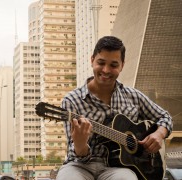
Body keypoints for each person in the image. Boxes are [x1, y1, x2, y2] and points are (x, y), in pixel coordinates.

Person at [56, 36, 173, 180]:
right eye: (101, 63)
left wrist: (159, 134)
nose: (106, 70)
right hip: (79, 166)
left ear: (122, 65)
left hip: (119, 168)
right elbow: (78, 156)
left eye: (113, 65)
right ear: (92, 60)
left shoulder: (134, 96)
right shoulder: (72, 100)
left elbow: (165, 117)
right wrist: (80, 144)